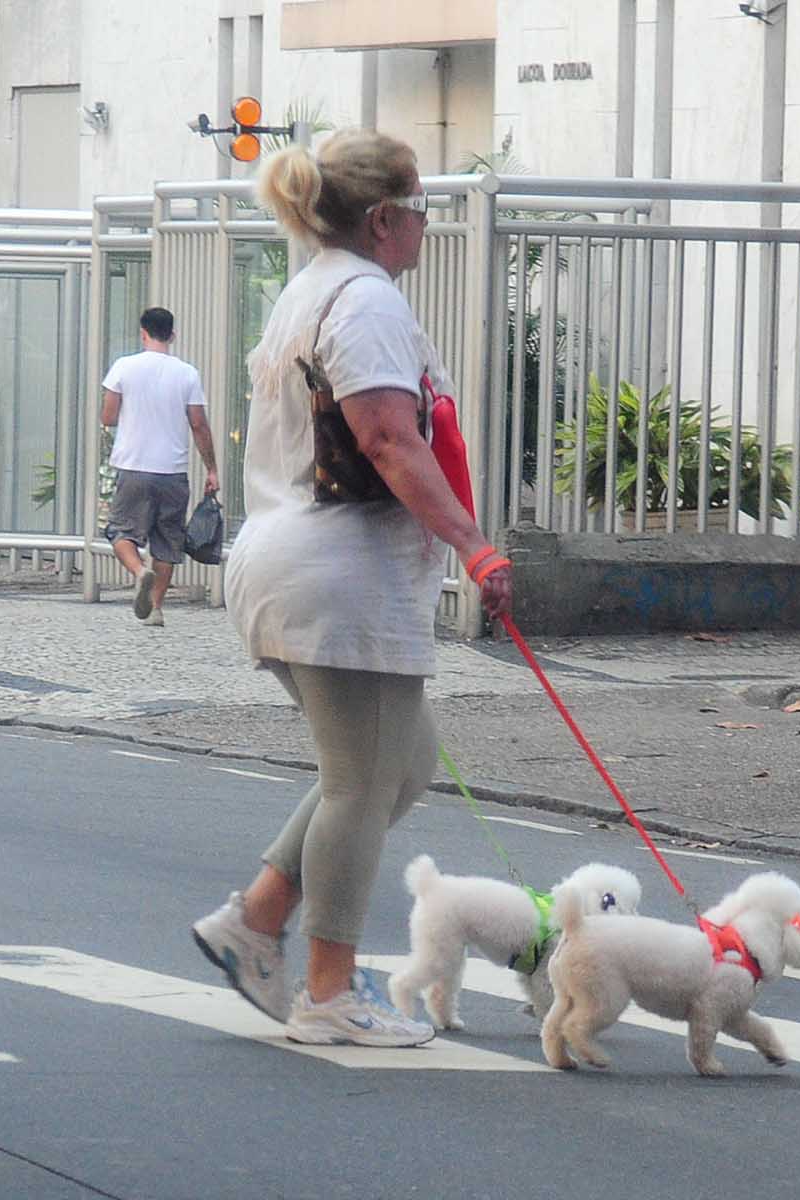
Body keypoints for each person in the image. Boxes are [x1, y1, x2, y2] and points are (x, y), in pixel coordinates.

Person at [190, 129, 513, 1048]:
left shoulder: (314, 286)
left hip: (295, 559)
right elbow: (387, 438)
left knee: (393, 770)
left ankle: (255, 920)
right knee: (361, 787)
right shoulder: (365, 300)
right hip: (339, 571)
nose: (425, 226)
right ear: (384, 219)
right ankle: (327, 993)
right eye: (418, 210)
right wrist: (474, 547)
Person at [99, 307, 219, 627]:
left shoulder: (124, 367)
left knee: (120, 530)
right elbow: (199, 425)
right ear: (173, 335)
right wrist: (211, 468)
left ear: (143, 333)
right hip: (173, 471)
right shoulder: (187, 374)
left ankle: (140, 572)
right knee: (168, 542)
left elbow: (108, 417)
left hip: (132, 466)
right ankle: (155, 609)